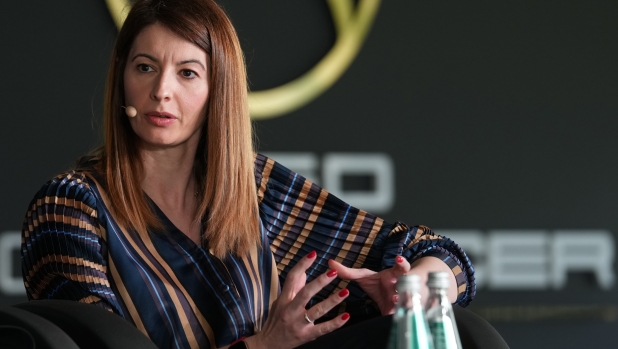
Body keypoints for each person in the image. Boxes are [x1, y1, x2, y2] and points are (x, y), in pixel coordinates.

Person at [20, 0, 476, 348]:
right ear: (122, 79)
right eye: (145, 68)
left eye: (188, 73)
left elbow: (440, 255)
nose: (161, 91)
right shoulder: (71, 204)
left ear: (219, 90)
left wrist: (413, 285)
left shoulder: (251, 186)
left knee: (467, 331)